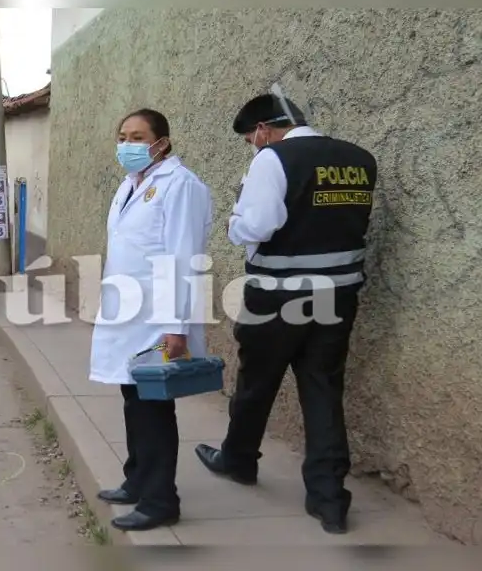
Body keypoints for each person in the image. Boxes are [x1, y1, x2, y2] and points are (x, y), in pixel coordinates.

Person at [194, 94, 377, 535]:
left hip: (279, 296)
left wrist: (232, 223)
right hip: (338, 295)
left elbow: (257, 226)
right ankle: (329, 500)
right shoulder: (359, 159)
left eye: (250, 139)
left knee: (257, 382)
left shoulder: (273, 159)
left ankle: (238, 460)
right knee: (323, 388)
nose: (252, 147)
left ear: (262, 128)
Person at [89, 108, 213, 532]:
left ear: (161, 142)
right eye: (122, 135)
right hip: (127, 315)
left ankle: (162, 500)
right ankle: (137, 479)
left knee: (153, 406)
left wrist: (176, 327)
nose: (127, 144)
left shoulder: (181, 186)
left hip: (159, 321)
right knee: (133, 400)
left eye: (137, 136)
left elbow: (183, 259)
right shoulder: (130, 185)